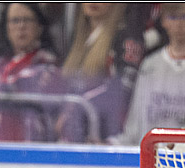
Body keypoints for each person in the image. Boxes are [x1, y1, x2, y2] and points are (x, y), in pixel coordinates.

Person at [110, 2, 185, 146]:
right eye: (173, 17)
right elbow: (135, 123)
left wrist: (176, 145)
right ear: (163, 21)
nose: (179, 24)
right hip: (148, 154)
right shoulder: (150, 65)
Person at [56, 3, 145, 143]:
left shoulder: (126, 37)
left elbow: (124, 90)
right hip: (74, 132)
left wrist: (76, 108)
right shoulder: (78, 37)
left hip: (108, 135)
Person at [0, 2, 62, 143]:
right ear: (7, 28)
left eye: (27, 20)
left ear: (39, 27)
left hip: (28, 147)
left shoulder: (48, 64)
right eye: (15, 20)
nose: (21, 26)